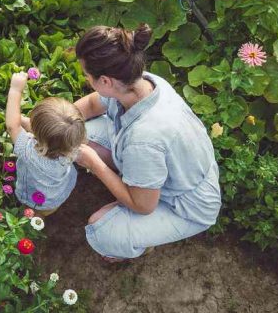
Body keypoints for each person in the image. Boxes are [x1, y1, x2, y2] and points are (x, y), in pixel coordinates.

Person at [74, 24, 221, 260]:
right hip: (175, 167)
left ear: (105, 81)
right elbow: (92, 105)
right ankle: (134, 185)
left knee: (102, 231)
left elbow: (142, 205)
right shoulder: (142, 83)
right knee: (80, 134)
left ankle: (135, 244)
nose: (86, 78)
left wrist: (95, 165)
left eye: (87, 75)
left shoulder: (144, 139)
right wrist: (58, 121)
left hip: (187, 205)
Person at [6, 72, 87, 216]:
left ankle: (34, 221)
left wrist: (15, 89)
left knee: (34, 214)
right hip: (58, 194)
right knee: (47, 210)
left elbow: (12, 126)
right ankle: (44, 215)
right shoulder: (73, 146)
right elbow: (51, 137)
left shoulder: (29, 152)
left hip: (35, 197)